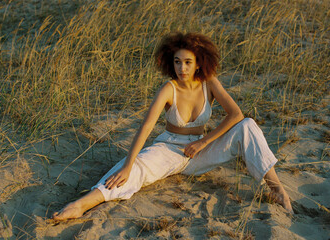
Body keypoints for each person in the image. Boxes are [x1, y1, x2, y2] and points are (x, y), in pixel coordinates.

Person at [52, 32, 293, 220]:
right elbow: (146, 127)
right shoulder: (169, 88)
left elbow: (235, 115)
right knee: (135, 169)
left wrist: (203, 141)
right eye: (177, 62)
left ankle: (277, 189)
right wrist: (127, 165)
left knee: (248, 126)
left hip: (200, 152)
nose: (182, 68)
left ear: (199, 63)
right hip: (169, 149)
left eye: (188, 62)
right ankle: (81, 204)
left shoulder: (209, 82)